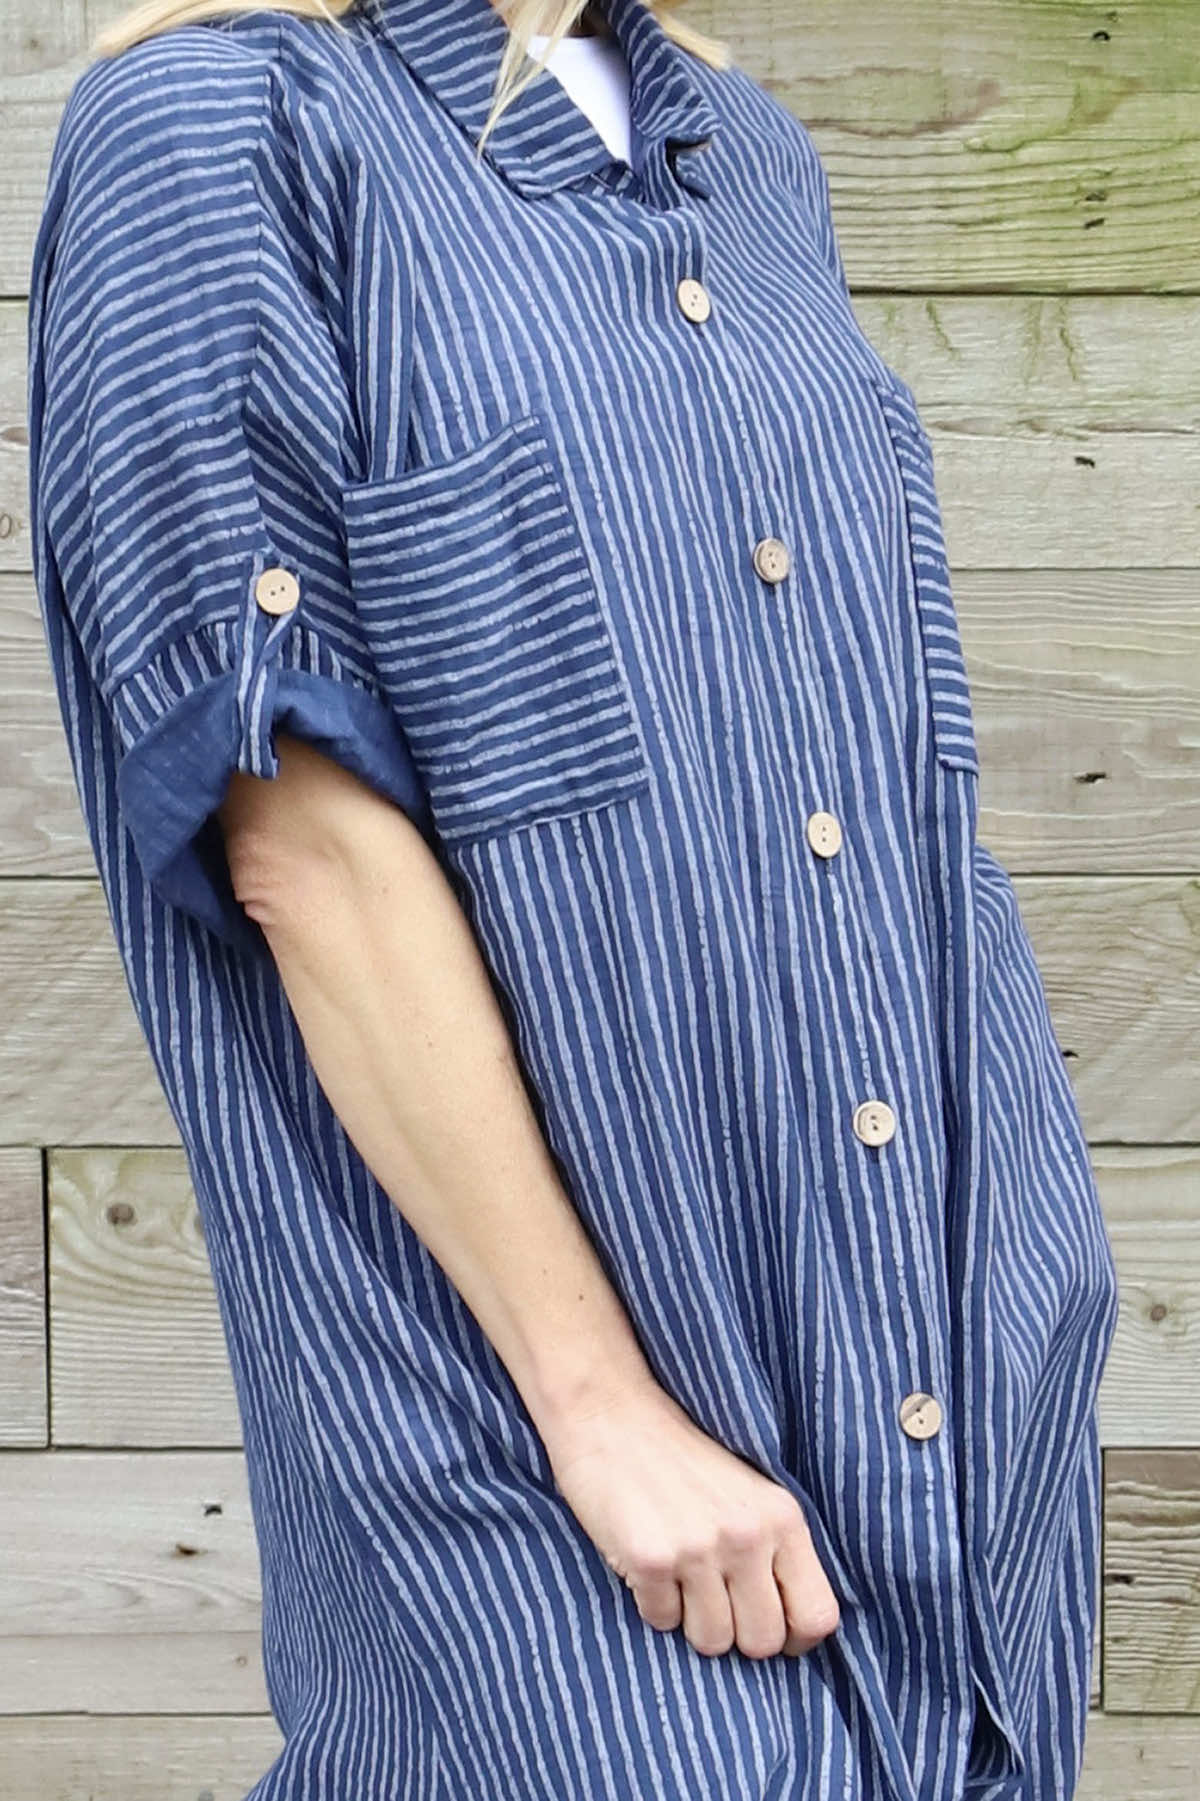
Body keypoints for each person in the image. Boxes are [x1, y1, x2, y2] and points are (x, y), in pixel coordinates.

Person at [25, 0, 1121, 1794]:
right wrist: (598, 1408)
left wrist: (1038, 1280)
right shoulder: (219, 129)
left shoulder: (743, 155)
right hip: (567, 1456)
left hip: (960, 1398)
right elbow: (299, 842)